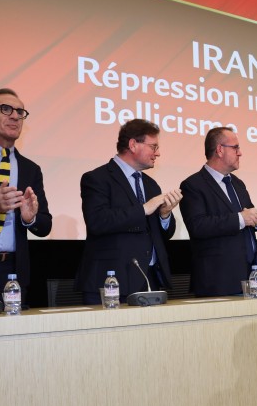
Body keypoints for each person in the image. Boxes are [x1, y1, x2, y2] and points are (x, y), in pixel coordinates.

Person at [77, 119, 182, 304]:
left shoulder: (151, 184)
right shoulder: (97, 179)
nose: (158, 153)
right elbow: (97, 221)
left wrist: (165, 215)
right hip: (112, 282)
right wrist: (144, 209)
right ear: (133, 144)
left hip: (149, 279)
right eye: (153, 146)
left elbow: (162, 234)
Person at [179, 127, 257, 297]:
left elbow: (248, 215)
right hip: (218, 279)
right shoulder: (193, 185)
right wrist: (241, 219)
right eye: (236, 147)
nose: (240, 153)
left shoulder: (237, 183)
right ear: (219, 150)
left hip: (250, 275)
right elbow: (198, 226)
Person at [0, 88, 52, 302]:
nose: (15, 116)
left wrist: (29, 219)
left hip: (12, 272)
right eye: (5, 109)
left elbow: (45, 225)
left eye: (20, 112)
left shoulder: (31, 169)